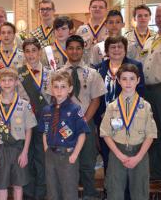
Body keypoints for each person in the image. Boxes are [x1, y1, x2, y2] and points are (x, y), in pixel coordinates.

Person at [59, 35, 107, 199]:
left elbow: (96, 99)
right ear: (66, 50)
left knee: (87, 162)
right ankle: (69, 195)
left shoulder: (92, 73)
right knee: (67, 161)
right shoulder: (58, 74)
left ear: (83, 50)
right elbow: (54, 99)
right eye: (71, 48)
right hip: (64, 125)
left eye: (78, 48)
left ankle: (89, 194)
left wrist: (84, 120)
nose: (74, 51)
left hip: (86, 123)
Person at [100, 63, 157, 200]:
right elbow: (105, 133)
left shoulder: (145, 106)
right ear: (118, 81)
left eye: (132, 78)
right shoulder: (112, 107)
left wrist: (138, 157)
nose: (128, 82)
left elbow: (150, 134)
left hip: (140, 153)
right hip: (117, 153)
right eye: (124, 79)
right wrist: (119, 155)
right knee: (115, 191)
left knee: (140, 192)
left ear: (138, 80)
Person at [94, 36, 145, 175]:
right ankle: (109, 189)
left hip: (129, 119)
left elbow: (140, 93)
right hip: (104, 119)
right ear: (106, 51)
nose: (116, 50)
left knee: (127, 153)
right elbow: (95, 96)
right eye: (112, 47)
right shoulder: (98, 69)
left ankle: (127, 193)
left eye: (120, 47)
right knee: (107, 155)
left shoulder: (135, 66)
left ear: (125, 49)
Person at [0, 67, 37, 200]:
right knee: (1, 185)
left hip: (18, 148)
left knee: (18, 184)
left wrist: (25, 152)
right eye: (3, 80)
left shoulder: (24, 104)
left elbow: (29, 130)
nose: (7, 83)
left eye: (10, 80)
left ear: (16, 82)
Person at [39, 71, 90, 200]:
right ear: (51, 88)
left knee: (69, 192)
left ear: (70, 89)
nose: (59, 90)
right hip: (51, 154)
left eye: (63, 87)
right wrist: (46, 148)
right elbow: (45, 131)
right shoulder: (46, 110)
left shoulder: (75, 109)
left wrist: (75, 154)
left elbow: (82, 134)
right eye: (56, 86)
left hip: (67, 155)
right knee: (52, 191)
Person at [17, 38, 51, 200]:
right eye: (27, 51)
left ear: (40, 52)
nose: (31, 54)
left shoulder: (51, 73)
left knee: (43, 160)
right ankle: (29, 194)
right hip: (25, 125)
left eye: (34, 50)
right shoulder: (18, 74)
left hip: (46, 124)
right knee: (27, 159)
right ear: (24, 54)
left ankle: (41, 194)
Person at [141, 4, 161, 180]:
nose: (159, 18)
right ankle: (155, 171)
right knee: (152, 130)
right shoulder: (151, 39)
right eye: (158, 15)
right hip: (149, 91)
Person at [76, 0, 109, 65]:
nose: (97, 9)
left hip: (104, 67)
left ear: (106, 10)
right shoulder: (81, 30)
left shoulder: (110, 29)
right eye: (94, 7)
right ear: (89, 9)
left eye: (101, 7)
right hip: (85, 68)